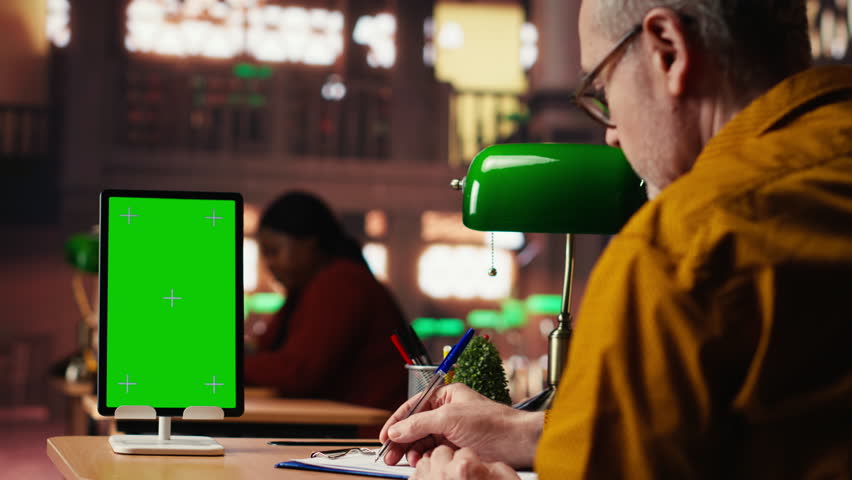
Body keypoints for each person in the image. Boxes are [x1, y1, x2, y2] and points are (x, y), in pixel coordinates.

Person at [379, 1, 852, 478]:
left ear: (667, 50)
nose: (610, 135)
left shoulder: (685, 246)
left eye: (602, 88)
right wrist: (527, 430)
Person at [244, 191, 407, 411]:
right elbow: (267, 349)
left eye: (274, 251)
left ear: (309, 244)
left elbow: (298, 372)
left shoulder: (341, 282)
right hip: (354, 422)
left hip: (372, 431)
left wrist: (225, 365)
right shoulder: (312, 286)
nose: (269, 263)